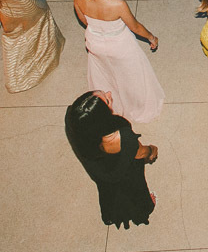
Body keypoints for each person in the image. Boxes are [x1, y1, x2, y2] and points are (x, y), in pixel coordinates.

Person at [74, 0, 164, 124]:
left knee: (104, 72)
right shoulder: (117, 5)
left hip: (94, 43)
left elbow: (83, 19)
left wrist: (97, 30)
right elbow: (135, 27)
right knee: (132, 74)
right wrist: (152, 37)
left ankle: (109, 101)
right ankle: (138, 104)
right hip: (119, 45)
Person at [65, 90, 158, 229]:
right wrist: (152, 150)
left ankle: (113, 213)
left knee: (109, 191)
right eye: (107, 100)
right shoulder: (122, 137)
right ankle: (143, 208)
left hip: (100, 171)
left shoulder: (73, 120)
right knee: (134, 188)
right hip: (122, 171)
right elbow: (141, 153)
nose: (109, 94)